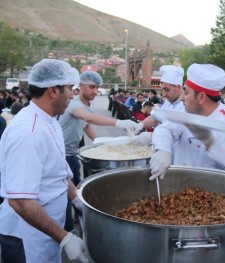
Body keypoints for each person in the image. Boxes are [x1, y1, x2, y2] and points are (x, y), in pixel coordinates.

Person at [0, 59, 89, 262]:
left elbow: (56, 171)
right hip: (25, 237)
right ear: (53, 91)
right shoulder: (28, 133)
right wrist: (65, 238)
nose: (73, 95)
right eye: (70, 88)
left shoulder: (49, 119)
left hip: (46, 230)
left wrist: (77, 200)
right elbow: (20, 201)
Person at [58, 71, 137, 231]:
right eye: (92, 87)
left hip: (73, 154)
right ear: (80, 86)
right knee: (64, 195)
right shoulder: (74, 104)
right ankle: (66, 231)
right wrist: (118, 123)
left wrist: (98, 143)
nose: (95, 91)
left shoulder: (89, 104)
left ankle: (77, 217)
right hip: (61, 156)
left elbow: (85, 124)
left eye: (97, 88)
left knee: (77, 188)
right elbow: (87, 118)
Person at [149, 63, 225, 180]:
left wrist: (211, 142)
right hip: (178, 185)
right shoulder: (185, 111)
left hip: (212, 192)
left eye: (186, 92)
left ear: (201, 97)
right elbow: (166, 129)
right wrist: (163, 150)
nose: (182, 97)